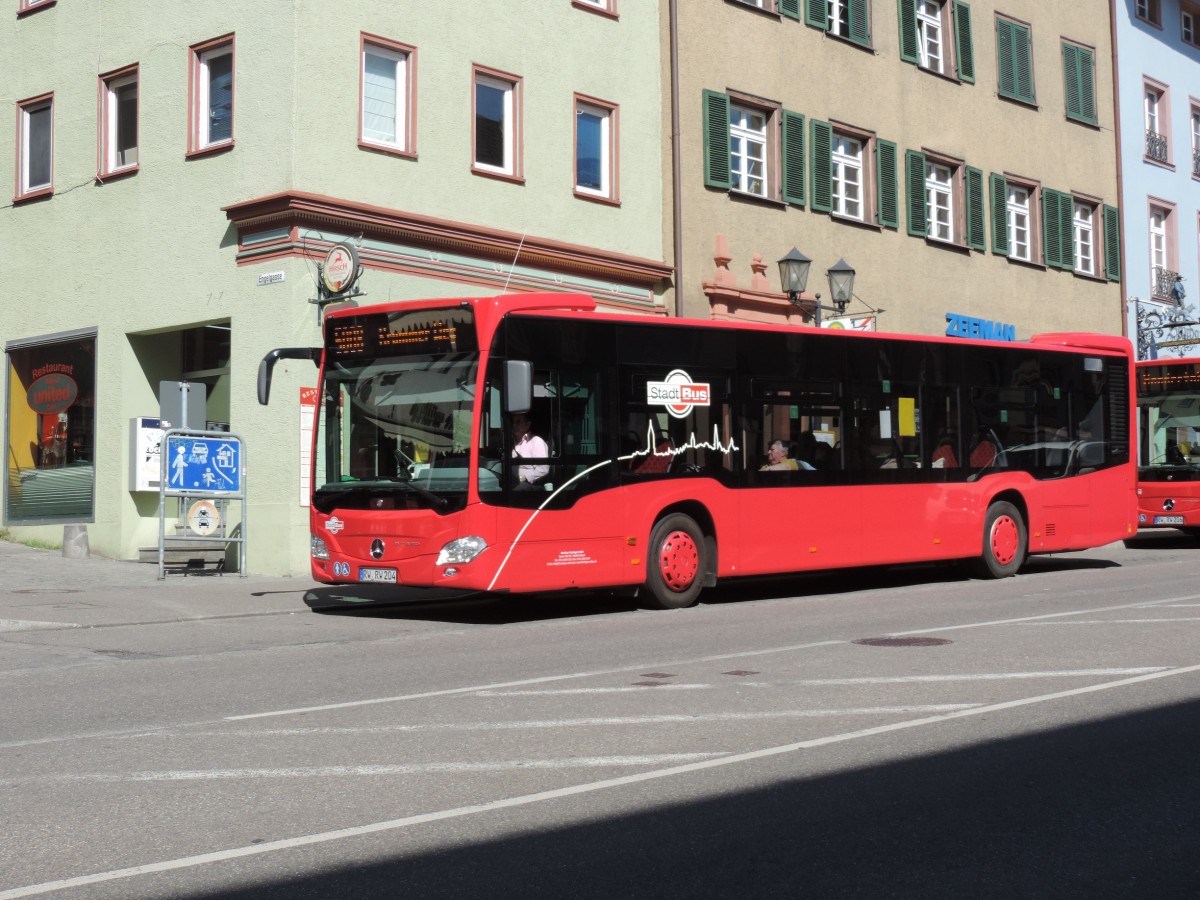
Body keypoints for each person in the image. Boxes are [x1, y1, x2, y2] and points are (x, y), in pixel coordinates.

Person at [512, 412, 549, 489]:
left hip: (530, 486)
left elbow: (543, 469)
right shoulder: (509, 442)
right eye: (513, 422)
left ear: (528, 424)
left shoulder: (536, 441)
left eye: (518, 421)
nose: (514, 425)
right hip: (510, 482)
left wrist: (522, 478)